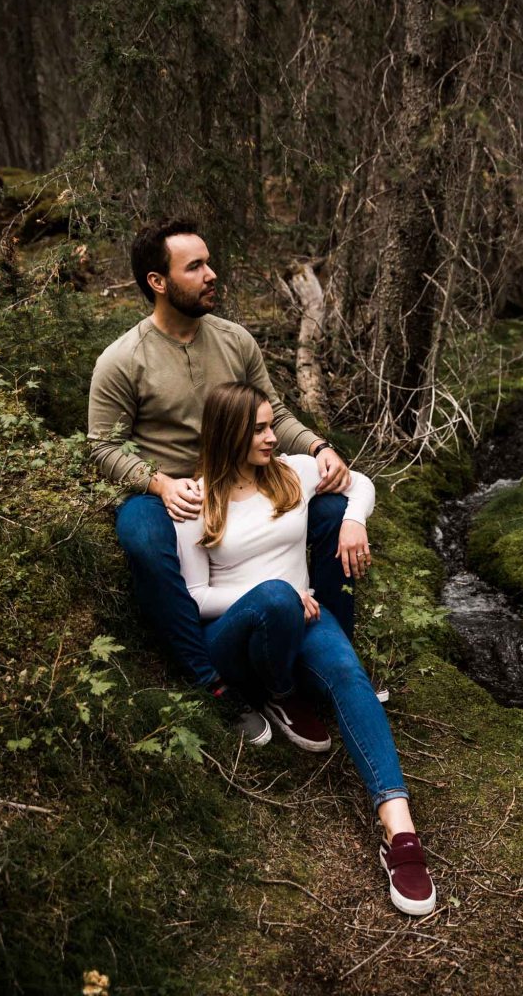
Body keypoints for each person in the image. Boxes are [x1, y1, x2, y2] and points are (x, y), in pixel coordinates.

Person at [88, 219, 368, 737]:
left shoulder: (234, 340)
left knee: (331, 509)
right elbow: (102, 445)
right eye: (194, 267)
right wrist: (158, 483)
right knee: (143, 537)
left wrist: (318, 447)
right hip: (173, 488)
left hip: (244, 477)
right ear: (158, 281)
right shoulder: (122, 359)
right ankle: (210, 682)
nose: (211, 274)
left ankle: (330, 659)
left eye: (208, 261)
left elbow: (275, 414)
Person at [174, 381, 436, 917]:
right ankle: (273, 691)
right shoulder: (200, 500)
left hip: (306, 617)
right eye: (261, 429)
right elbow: (196, 598)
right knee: (273, 595)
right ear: (229, 433)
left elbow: (359, 482)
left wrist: (352, 521)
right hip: (235, 636)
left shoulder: (291, 472)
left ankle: (400, 833)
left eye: (273, 425)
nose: (274, 436)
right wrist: (279, 595)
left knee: (349, 676)